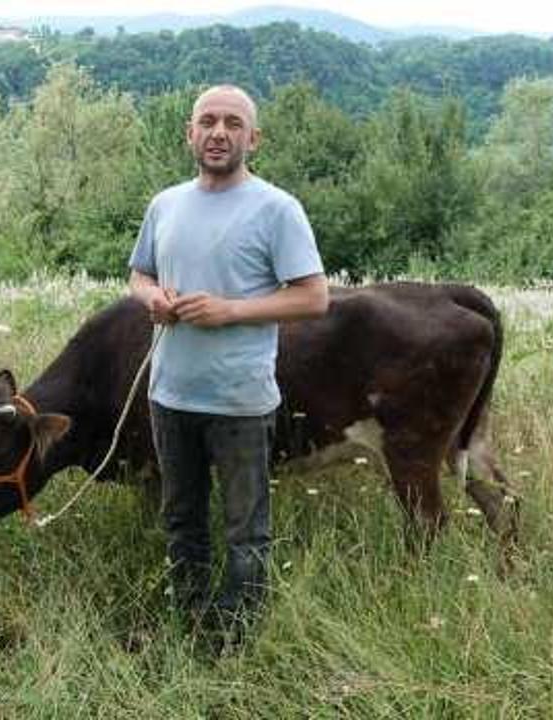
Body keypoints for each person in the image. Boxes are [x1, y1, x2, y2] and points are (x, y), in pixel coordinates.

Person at [128, 85, 329, 642]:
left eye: (233, 124)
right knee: (182, 520)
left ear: (253, 138)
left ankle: (235, 637)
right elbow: (138, 275)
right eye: (208, 122)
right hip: (169, 395)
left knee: (246, 530)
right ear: (189, 133)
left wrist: (232, 311)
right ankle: (189, 620)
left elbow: (314, 297)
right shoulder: (164, 203)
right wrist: (153, 301)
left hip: (240, 399)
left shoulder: (277, 209)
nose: (219, 133)